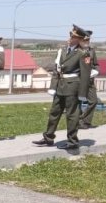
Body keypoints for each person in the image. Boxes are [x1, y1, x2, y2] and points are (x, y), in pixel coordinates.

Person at [33, 25, 92, 153]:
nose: (70, 38)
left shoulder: (83, 53)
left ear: (79, 39)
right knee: (54, 112)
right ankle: (48, 137)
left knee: (72, 115)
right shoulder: (62, 50)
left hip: (73, 86)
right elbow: (57, 70)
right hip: (60, 86)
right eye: (70, 35)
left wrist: (82, 93)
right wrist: (52, 87)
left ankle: (72, 142)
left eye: (73, 37)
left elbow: (85, 75)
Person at [79, 30, 100, 129]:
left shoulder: (91, 50)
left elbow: (96, 64)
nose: (87, 41)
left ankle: (85, 121)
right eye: (85, 39)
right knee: (77, 102)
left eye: (88, 39)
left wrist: (95, 71)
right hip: (79, 81)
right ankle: (80, 122)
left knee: (94, 101)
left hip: (90, 81)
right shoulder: (76, 50)